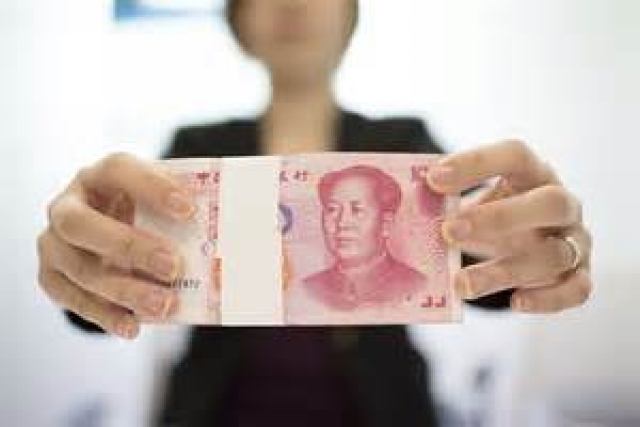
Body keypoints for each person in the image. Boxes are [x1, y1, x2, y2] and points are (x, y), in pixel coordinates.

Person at [36, 0, 594, 426]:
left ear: (350, 15)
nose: (292, 4)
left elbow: (476, 259)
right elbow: (117, 286)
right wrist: (83, 264)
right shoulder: (194, 148)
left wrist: (532, 251)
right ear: (238, 21)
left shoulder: (404, 143)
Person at [302, 165, 427, 310]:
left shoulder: (417, 286)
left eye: (357, 210)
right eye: (332, 210)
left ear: (386, 224)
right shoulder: (307, 290)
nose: (342, 223)